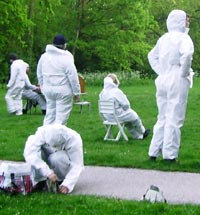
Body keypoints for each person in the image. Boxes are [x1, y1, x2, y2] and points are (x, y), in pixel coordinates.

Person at [147, 10, 194, 162]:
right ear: (180, 21)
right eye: (186, 21)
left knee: (162, 117)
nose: (188, 24)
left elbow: (151, 56)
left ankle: (154, 152)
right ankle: (170, 155)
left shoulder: (163, 38)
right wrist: (183, 72)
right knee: (174, 117)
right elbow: (187, 55)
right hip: (176, 77)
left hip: (163, 78)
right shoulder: (184, 38)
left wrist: (160, 70)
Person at [23, 124, 84, 194]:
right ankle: (39, 181)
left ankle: (59, 181)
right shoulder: (40, 134)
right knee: (37, 155)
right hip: (45, 160)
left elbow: (77, 165)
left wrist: (67, 184)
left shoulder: (74, 138)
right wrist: (47, 172)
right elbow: (29, 154)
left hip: (60, 162)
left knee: (57, 158)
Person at [37, 34, 80, 125]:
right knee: (61, 118)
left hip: (48, 90)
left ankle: (45, 136)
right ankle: (56, 138)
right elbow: (73, 76)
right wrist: (76, 92)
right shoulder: (66, 57)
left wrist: (43, 87)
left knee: (49, 116)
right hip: (63, 91)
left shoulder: (44, 57)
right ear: (64, 45)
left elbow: (39, 74)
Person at [99, 73, 150, 140]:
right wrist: (125, 109)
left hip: (108, 117)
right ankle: (142, 131)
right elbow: (126, 105)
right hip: (117, 116)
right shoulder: (116, 91)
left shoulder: (102, 92)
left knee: (128, 121)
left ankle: (138, 136)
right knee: (134, 117)